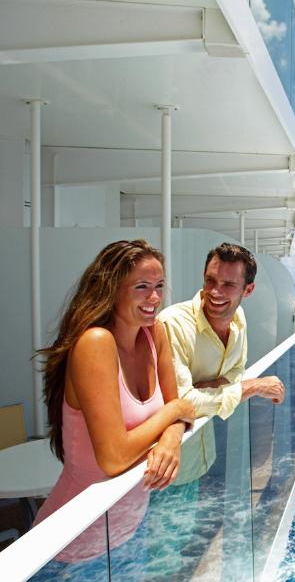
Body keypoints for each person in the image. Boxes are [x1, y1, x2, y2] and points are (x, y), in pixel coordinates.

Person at [34, 239, 195, 564]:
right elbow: (113, 457)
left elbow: (178, 414)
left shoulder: (155, 333)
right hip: (73, 548)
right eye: (142, 286)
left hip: (130, 532)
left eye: (159, 286)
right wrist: (175, 411)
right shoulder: (95, 342)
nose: (155, 298)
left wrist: (172, 436)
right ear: (111, 289)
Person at [157, 242, 284, 479]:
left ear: (248, 290)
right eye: (210, 281)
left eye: (228, 285)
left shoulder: (238, 318)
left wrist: (212, 387)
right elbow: (180, 402)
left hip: (203, 454)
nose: (215, 292)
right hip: (163, 469)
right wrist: (252, 387)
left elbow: (237, 369)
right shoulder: (172, 324)